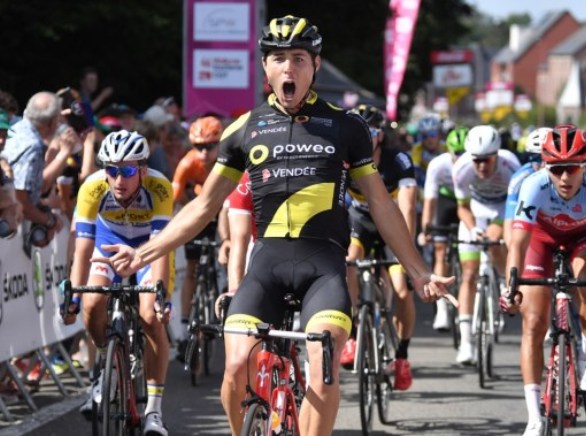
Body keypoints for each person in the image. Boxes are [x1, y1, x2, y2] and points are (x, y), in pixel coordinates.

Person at [95, 15, 453, 435]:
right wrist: (144, 252)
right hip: (265, 267)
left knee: (321, 367)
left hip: (324, 267)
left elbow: (380, 203)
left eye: (299, 58)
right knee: (234, 367)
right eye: (279, 59)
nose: (289, 68)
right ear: (265, 68)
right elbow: (205, 205)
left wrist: (418, 269)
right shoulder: (244, 129)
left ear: (315, 66)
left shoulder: (346, 126)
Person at [63, 130, 173, 435]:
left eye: (126, 171)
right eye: (112, 171)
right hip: (108, 243)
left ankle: (154, 410)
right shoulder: (93, 187)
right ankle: (105, 370)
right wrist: (73, 295)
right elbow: (83, 248)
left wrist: (162, 297)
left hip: (149, 247)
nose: (119, 179)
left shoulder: (160, 187)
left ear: (141, 170)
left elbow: (162, 245)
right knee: (92, 302)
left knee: (151, 316)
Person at [501, 126, 586, 436]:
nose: (565, 177)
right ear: (547, 167)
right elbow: (518, 242)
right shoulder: (533, 185)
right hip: (542, 240)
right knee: (534, 322)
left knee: (584, 286)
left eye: (573, 167)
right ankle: (534, 415)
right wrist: (511, 283)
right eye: (558, 168)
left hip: (581, 239)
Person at [341, 104, 418, 391]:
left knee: (400, 289)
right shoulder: (345, 159)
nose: (363, 138)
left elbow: (408, 208)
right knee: (348, 263)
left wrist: (407, 253)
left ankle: (401, 357)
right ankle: (351, 337)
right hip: (360, 221)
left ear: (380, 136)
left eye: (369, 133)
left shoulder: (398, 161)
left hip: (392, 222)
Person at [452, 124, 520, 365]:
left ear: (497, 156)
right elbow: (461, 207)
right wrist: (473, 228)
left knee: (495, 245)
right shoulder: (461, 169)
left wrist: (498, 226)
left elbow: (518, 207)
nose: (481, 166)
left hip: (505, 209)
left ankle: (503, 280)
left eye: (486, 161)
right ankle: (467, 344)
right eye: (476, 160)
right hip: (475, 211)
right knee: (468, 275)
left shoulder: (511, 166)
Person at [171, 116, 223, 356]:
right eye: (198, 146)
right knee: (192, 268)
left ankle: (224, 297)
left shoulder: (227, 160)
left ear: (219, 144)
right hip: (197, 215)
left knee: (229, 254)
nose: (203, 152)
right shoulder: (187, 163)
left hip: (223, 214)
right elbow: (174, 196)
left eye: (209, 146)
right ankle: (184, 325)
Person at [0, 91, 77, 248]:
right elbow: (22, 200)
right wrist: (49, 220)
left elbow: (33, 187)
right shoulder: (32, 146)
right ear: (52, 122)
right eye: (57, 119)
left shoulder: (19, 129)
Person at [419, 126, 468, 331]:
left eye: (465, 154)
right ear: (448, 151)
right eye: (457, 154)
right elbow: (430, 201)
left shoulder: (473, 164)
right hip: (446, 201)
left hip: (467, 201)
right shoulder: (438, 165)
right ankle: (442, 310)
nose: (461, 158)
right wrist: (426, 230)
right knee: (440, 251)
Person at [503, 127, 551, 246]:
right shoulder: (519, 178)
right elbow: (509, 221)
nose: (542, 165)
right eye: (536, 158)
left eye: (548, 158)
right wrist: (514, 252)